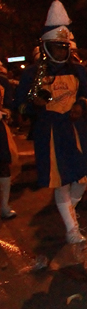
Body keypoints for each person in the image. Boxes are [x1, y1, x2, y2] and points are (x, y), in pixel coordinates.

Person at [13, 1, 87, 243]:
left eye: (64, 47)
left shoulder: (77, 70)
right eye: (56, 48)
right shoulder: (32, 73)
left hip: (75, 130)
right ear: (47, 47)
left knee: (82, 178)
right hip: (50, 131)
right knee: (60, 180)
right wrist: (33, 105)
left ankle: (70, 213)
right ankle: (71, 228)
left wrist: (81, 105)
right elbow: (20, 106)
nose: (61, 52)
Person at [1, 64, 17, 219]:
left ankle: (4, 205)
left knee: (4, 164)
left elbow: (8, 104)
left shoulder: (3, 82)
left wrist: (6, 112)